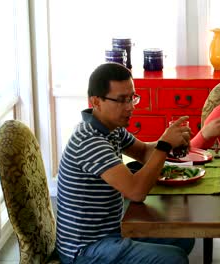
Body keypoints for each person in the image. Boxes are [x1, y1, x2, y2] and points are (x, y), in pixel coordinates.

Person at [56, 62, 195, 264]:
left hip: (111, 231)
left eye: (132, 98)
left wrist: (171, 141)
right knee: (174, 258)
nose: (130, 107)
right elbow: (136, 192)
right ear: (96, 102)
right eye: (121, 100)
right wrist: (164, 145)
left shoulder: (111, 128)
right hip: (85, 249)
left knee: (183, 237)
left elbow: (144, 152)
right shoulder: (89, 141)